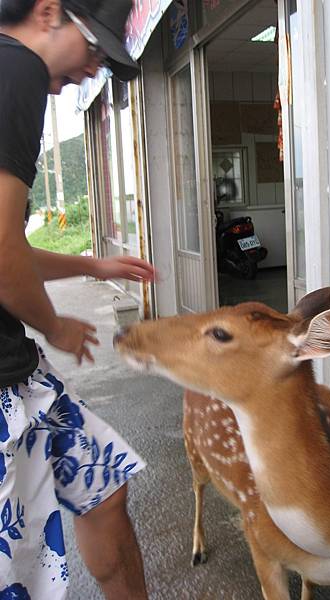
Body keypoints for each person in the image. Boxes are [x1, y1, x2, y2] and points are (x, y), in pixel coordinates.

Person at [0, 1, 153, 598]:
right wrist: (54, 325)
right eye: (94, 48)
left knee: (104, 491)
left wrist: (92, 263)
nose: (94, 71)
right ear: (47, 11)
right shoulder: (16, 68)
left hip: (20, 377)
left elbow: (11, 245)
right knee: (20, 568)